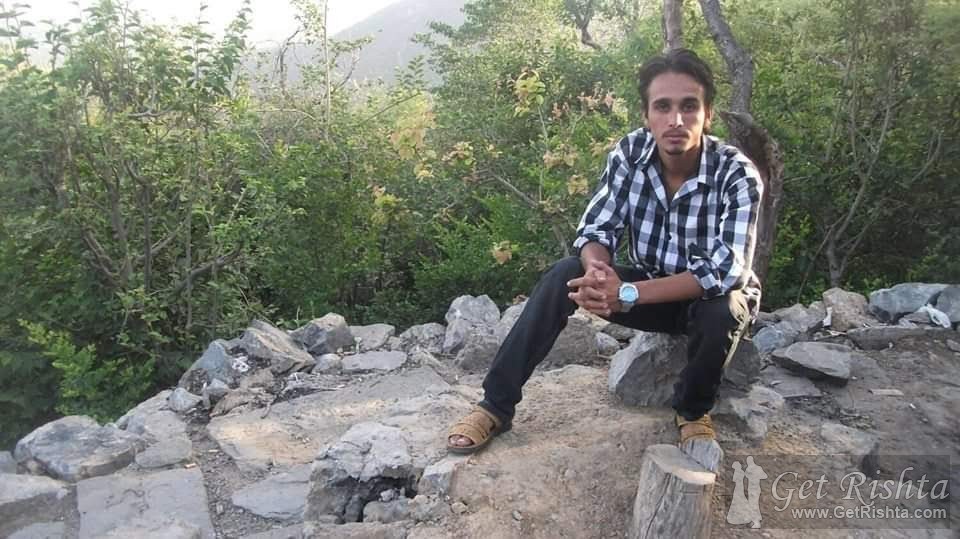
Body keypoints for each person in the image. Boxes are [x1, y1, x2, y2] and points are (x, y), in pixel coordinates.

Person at [446, 48, 763, 454]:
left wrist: (627, 292)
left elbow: (726, 270)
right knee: (565, 274)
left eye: (689, 106)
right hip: (650, 290)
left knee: (724, 308)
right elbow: (598, 227)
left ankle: (692, 411)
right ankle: (495, 406)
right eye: (662, 107)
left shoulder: (736, 173)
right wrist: (598, 272)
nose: (675, 120)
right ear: (647, 115)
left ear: (708, 114)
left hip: (708, 299)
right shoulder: (630, 153)